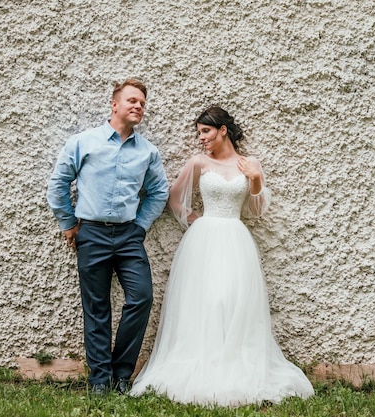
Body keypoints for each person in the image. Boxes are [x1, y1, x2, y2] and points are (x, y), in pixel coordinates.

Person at [130, 106, 314, 406]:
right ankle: (202, 362)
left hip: (236, 238)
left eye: (206, 131)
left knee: (232, 300)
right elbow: (173, 199)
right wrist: (196, 221)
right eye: (199, 132)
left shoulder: (249, 163)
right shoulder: (199, 162)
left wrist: (255, 179)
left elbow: (255, 210)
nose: (202, 138)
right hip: (203, 240)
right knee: (206, 300)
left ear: (223, 130)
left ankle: (232, 365)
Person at [46, 79, 169, 395]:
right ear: (114, 105)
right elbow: (59, 184)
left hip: (129, 236)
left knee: (141, 298)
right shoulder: (83, 142)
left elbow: (158, 192)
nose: (138, 106)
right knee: (97, 308)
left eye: (142, 102)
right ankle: (100, 380)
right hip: (92, 234)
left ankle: (121, 374)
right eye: (132, 100)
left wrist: (140, 226)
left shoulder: (148, 152)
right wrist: (68, 223)